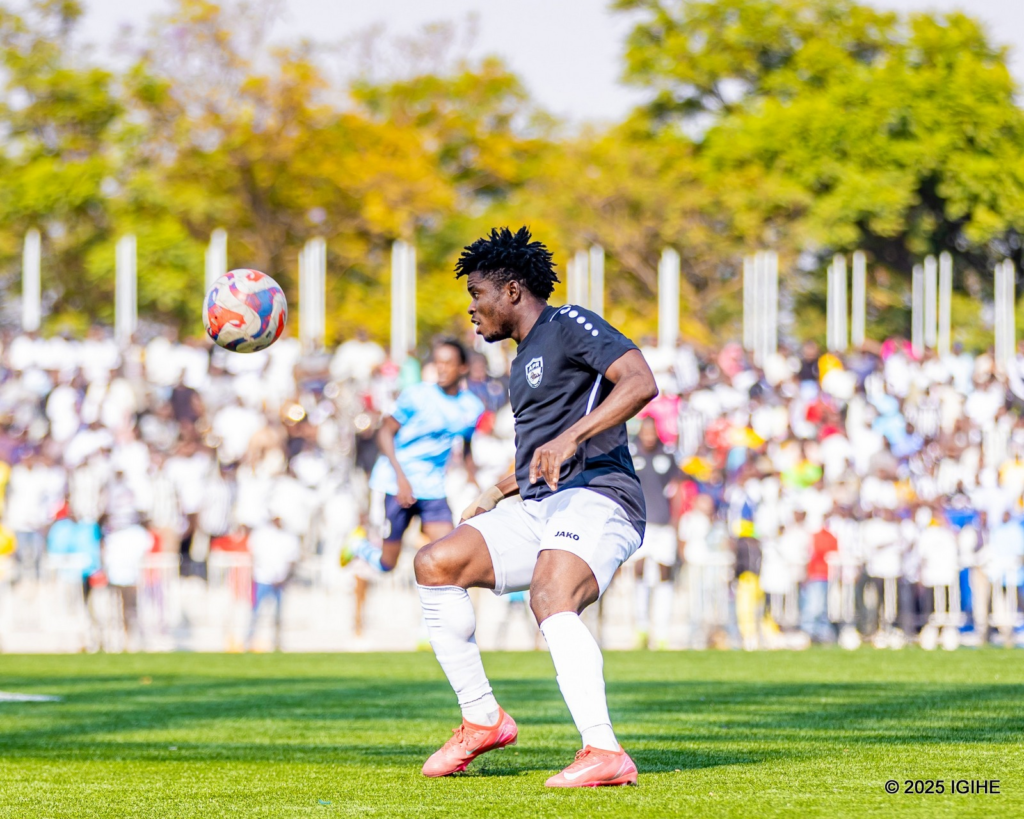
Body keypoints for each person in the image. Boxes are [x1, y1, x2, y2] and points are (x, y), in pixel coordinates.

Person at [412, 227, 657, 787]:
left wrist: (572, 437)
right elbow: (542, 458)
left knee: (550, 594)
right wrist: (498, 490)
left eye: (477, 294)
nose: (472, 308)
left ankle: (604, 750)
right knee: (436, 563)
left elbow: (640, 382)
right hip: (543, 503)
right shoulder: (522, 362)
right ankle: (482, 718)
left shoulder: (568, 323)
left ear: (513, 291)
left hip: (601, 495)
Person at [343, 340, 483, 573]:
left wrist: (473, 479)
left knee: (450, 556)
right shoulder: (416, 395)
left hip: (432, 487)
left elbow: (467, 444)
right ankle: (358, 546)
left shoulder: (472, 406)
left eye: (448, 363)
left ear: (463, 368)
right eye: (438, 363)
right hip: (395, 483)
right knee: (387, 564)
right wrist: (401, 478)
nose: (441, 369)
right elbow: (384, 433)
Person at [628, 416, 680, 649]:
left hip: (663, 523)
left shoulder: (666, 455)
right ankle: (641, 627)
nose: (649, 437)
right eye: (645, 432)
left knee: (664, 574)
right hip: (640, 523)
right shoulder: (630, 452)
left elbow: (677, 488)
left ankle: (662, 631)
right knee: (639, 571)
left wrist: (676, 521)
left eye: (652, 432)